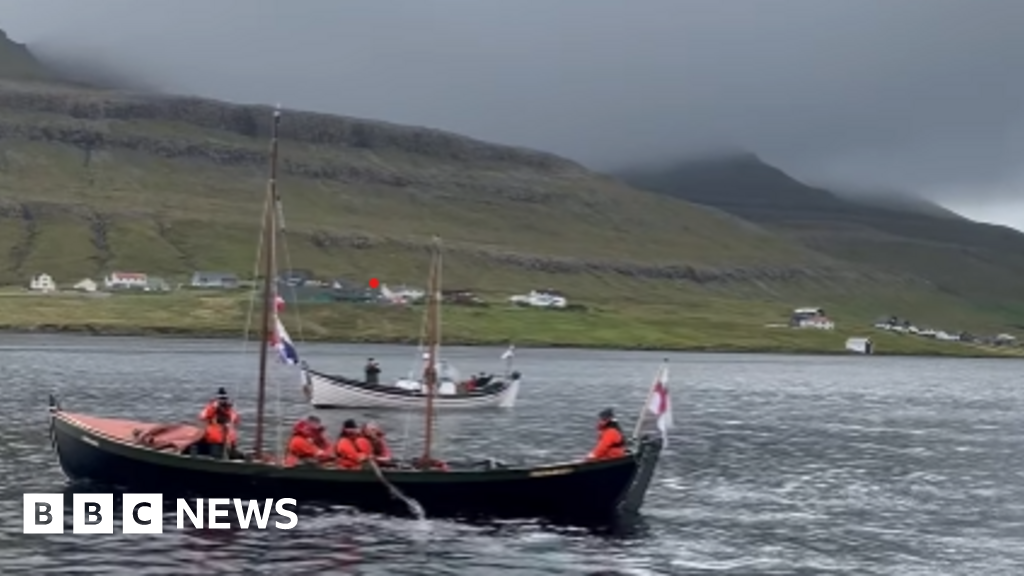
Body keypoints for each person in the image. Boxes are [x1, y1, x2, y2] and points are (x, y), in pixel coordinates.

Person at [198, 387, 240, 459]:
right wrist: (213, 407)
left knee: (233, 455)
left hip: (228, 439)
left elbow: (235, 420)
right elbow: (202, 416)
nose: (223, 401)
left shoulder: (230, 410)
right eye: (221, 399)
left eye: (225, 399)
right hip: (215, 439)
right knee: (216, 456)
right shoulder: (211, 408)